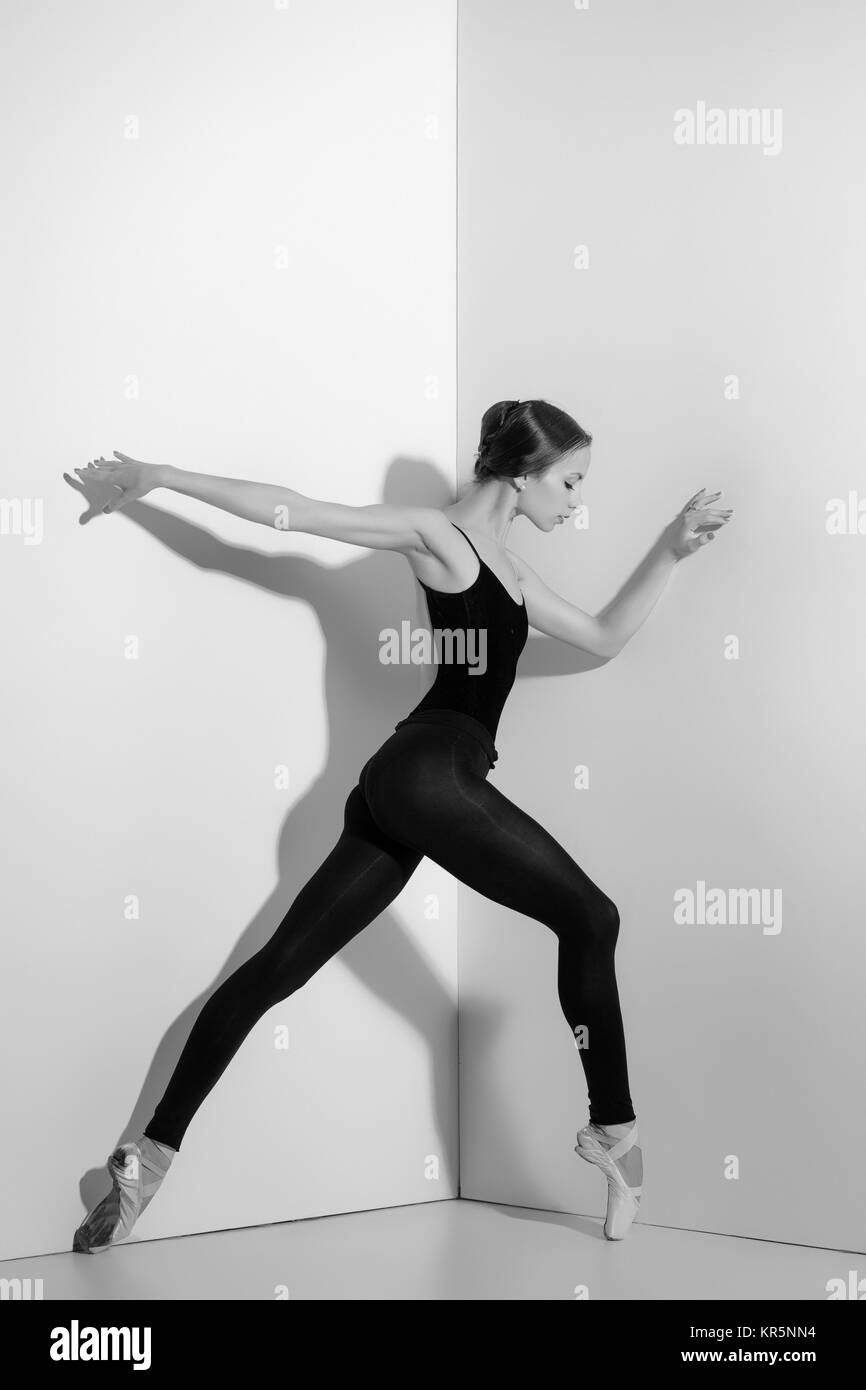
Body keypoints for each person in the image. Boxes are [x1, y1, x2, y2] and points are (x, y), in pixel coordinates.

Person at [71, 398, 732, 1250]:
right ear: (523, 474)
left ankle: (144, 1163)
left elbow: (604, 637)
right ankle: (614, 1130)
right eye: (569, 481)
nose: (575, 501)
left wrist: (669, 550)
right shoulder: (440, 537)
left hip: (404, 787)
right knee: (593, 916)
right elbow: (293, 515)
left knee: (276, 967)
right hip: (431, 773)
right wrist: (158, 477)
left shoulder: (516, 575)